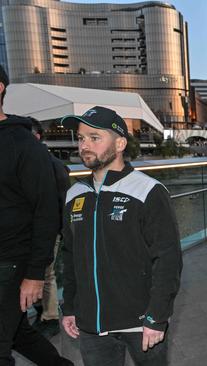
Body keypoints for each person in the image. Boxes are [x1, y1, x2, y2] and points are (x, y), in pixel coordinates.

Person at [60, 106, 183, 366]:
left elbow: (168, 259)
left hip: (141, 322)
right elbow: (70, 258)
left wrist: (157, 317)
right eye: (81, 138)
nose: (84, 145)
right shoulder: (75, 195)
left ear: (120, 143)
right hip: (92, 326)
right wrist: (69, 307)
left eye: (94, 138)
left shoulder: (148, 190)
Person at [0, 65, 72, 365]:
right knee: (17, 334)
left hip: (12, 262)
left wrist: (34, 274)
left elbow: (47, 212)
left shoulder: (25, 145)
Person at [29, 118, 71, 339]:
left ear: (36, 137)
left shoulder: (50, 164)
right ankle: (43, 312)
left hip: (47, 230)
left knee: (46, 274)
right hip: (35, 230)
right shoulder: (38, 162)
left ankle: (50, 316)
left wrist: (61, 230)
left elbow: (61, 199)